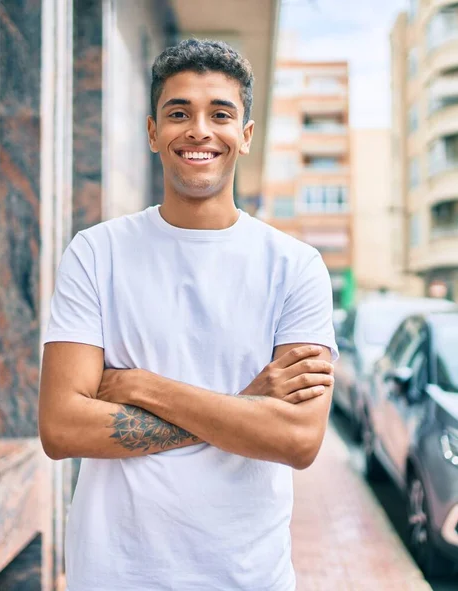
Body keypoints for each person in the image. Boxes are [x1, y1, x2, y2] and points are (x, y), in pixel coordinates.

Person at [39, 39, 338, 591]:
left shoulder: (295, 267)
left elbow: (298, 440)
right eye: (179, 113)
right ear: (153, 132)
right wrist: (248, 409)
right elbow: (61, 426)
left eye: (220, 114)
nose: (199, 130)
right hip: (114, 573)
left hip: (245, 575)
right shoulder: (96, 252)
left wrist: (143, 386)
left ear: (245, 136)